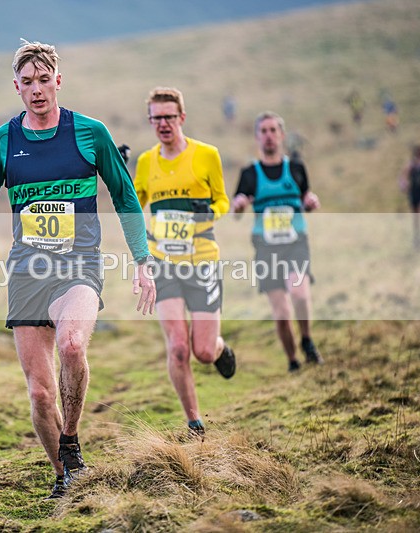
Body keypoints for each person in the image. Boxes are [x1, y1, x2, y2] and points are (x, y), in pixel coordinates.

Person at [0, 40, 156, 499]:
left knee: (71, 345)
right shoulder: (2, 141)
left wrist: (142, 260)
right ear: (16, 87)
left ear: (58, 80)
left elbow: (125, 196)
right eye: (27, 82)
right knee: (39, 394)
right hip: (27, 273)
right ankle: (65, 475)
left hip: (79, 266)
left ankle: (70, 440)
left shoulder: (90, 133)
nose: (37, 89)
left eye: (43, 80)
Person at [133, 87, 236, 435]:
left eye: (169, 117)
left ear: (182, 117)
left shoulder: (207, 155)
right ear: (150, 120)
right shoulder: (146, 162)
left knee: (202, 351)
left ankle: (220, 349)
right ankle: (195, 424)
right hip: (163, 263)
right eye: (156, 118)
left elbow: (223, 201)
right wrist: (117, 173)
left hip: (202, 260)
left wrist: (208, 212)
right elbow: (133, 203)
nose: (163, 124)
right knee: (178, 348)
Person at [232, 111, 322, 373]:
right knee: (281, 313)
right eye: (264, 131)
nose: (269, 136)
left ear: (281, 135)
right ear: (257, 136)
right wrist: (239, 205)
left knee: (299, 294)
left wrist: (311, 202)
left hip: (296, 243)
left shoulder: (295, 168)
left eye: (273, 130)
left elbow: (306, 198)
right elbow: (237, 208)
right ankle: (293, 361)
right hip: (266, 248)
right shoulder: (250, 173)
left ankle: (307, 339)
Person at [398, 145, 420, 249]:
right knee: (416, 218)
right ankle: (417, 238)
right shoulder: (411, 165)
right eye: (419, 155)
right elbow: (402, 177)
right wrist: (403, 186)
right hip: (413, 193)